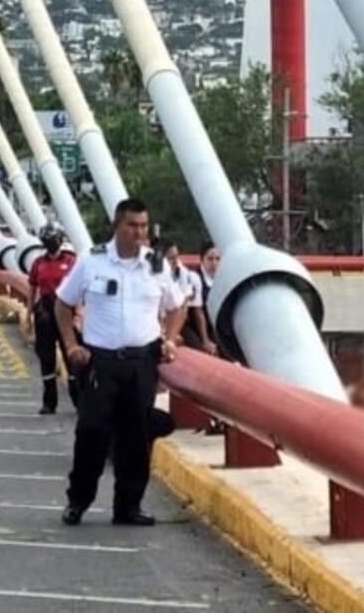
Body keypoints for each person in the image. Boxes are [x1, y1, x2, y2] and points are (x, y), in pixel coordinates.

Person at [55, 199, 184, 527]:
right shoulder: (92, 261)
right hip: (101, 362)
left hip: (141, 362)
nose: (138, 232)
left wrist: (170, 339)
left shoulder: (156, 265)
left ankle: (128, 506)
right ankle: (78, 501)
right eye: (132, 225)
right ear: (117, 226)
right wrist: (71, 345)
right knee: (92, 432)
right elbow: (62, 304)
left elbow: (177, 306)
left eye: (143, 226)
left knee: (135, 437)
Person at [27, 224, 78, 415]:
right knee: (46, 356)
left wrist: (79, 312)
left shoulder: (71, 261)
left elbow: (80, 286)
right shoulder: (38, 263)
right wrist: (29, 313)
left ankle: (78, 399)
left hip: (67, 309)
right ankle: (49, 402)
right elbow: (32, 287)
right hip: (46, 311)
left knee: (70, 355)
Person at [183, 241, 220, 356]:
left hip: (212, 324)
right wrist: (205, 340)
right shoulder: (195, 278)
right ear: (202, 260)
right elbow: (197, 312)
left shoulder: (222, 278)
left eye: (217, 259)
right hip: (194, 325)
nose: (214, 263)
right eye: (210, 259)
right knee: (204, 352)